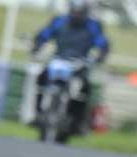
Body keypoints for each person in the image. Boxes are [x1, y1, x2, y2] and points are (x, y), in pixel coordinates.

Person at [31, 0, 110, 134]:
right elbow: (44, 34)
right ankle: (38, 114)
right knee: (41, 78)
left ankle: (77, 122)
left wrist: (101, 55)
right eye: (74, 11)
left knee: (85, 89)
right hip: (58, 60)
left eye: (79, 12)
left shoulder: (93, 25)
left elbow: (102, 43)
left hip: (80, 63)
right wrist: (37, 45)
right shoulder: (60, 21)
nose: (76, 15)